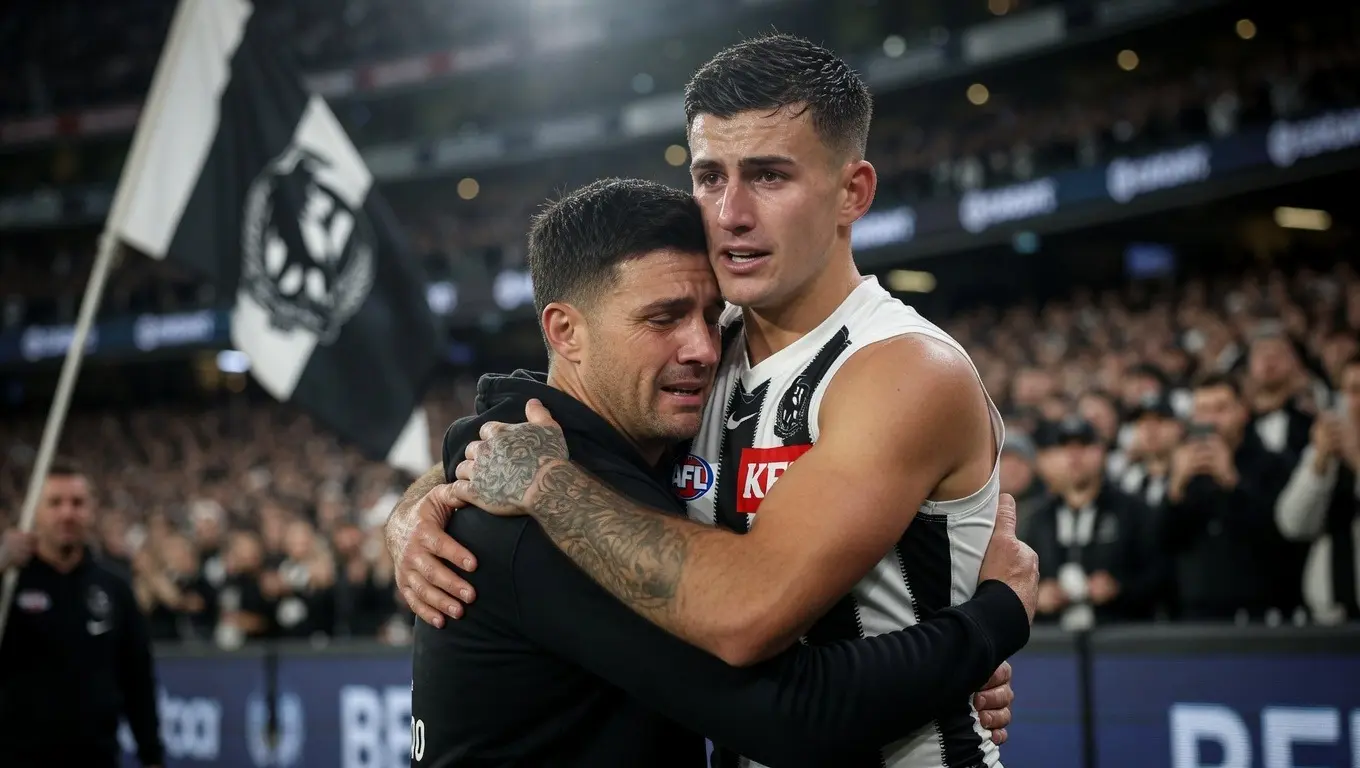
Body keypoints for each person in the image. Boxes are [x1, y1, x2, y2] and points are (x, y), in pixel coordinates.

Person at [395, 34, 1026, 768]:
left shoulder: (901, 370)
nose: (731, 212)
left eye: (769, 176)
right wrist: (417, 507)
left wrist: (546, 487)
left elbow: (748, 616)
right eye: (709, 176)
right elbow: (535, 417)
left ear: (852, 192)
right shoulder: (704, 351)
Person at [0, 458, 164, 768]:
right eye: (55, 503)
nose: (67, 513)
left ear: (92, 510)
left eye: (77, 503)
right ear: (34, 510)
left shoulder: (114, 587)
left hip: (96, 757)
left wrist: (152, 755)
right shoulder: (10, 582)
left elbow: (138, 679)